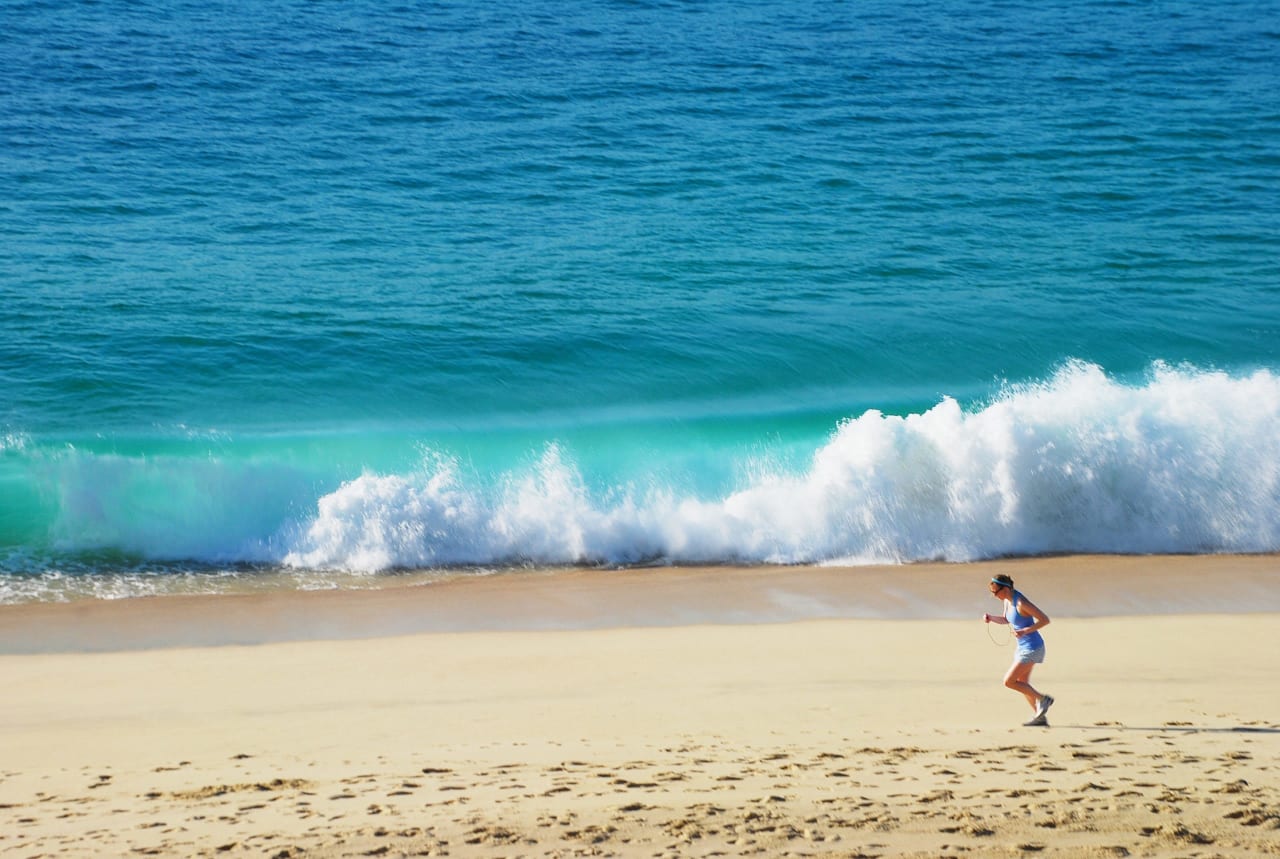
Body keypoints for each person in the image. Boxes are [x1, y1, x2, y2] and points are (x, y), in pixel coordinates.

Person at [983, 573, 1054, 726]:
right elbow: (1006, 619)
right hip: (1023, 647)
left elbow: (1045, 619)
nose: (994, 596)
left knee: (1009, 682)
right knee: (1023, 683)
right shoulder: (1007, 601)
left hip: (1033, 648)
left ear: (1006, 589)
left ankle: (1043, 699)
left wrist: (1025, 631)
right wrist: (991, 618)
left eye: (996, 592)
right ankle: (1039, 716)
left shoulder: (1021, 602)